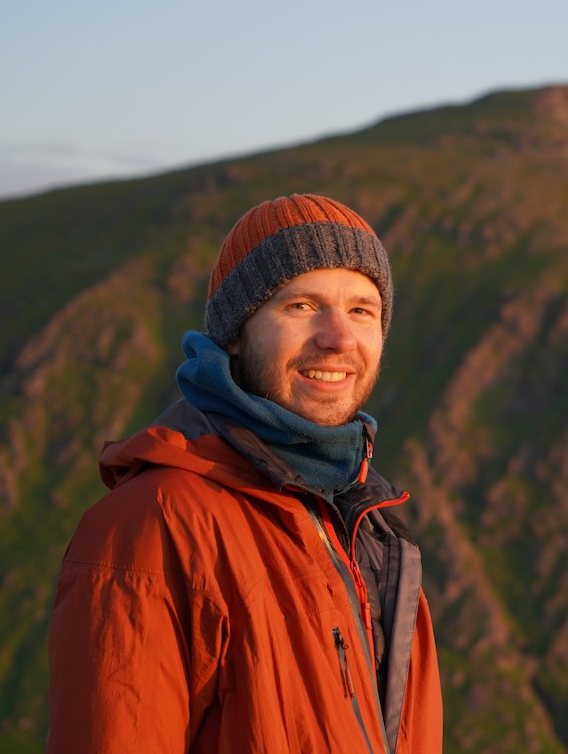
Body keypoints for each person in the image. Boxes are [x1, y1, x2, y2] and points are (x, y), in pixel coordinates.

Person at [47, 194, 443, 753]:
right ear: (235, 333)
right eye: (302, 306)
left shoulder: (373, 531)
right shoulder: (152, 526)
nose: (339, 337)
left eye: (361, 310)